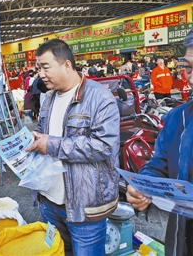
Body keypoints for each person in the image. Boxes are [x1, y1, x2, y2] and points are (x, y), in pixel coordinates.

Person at [26, 39, 120, 256]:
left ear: (67, 65)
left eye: (45, 67)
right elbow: (44, 132)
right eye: (38, 68)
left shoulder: (99, 98)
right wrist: (33, 139)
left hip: (84, 207)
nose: (40, 74)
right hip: (49, 201)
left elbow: (103, 146)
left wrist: (52, 144)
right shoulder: (49, 98)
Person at [126, 28, 193, 256]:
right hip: (182, 240)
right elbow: (160, 164)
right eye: (189, 68)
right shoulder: (177, 119)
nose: (191, 78)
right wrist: (143, 185)